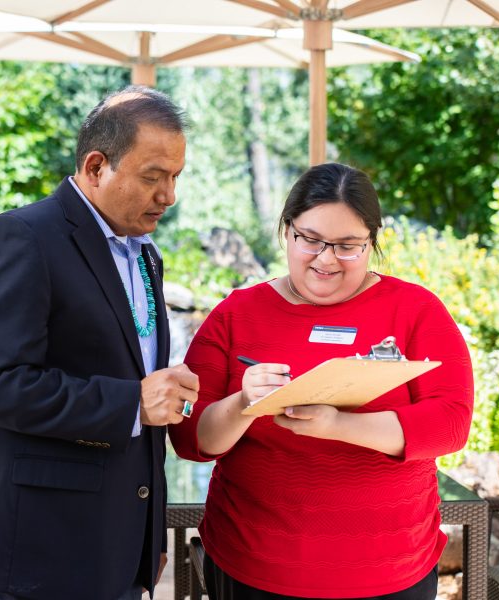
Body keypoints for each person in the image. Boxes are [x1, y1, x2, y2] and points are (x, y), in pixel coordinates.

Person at [169, 163, 474, 600]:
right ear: (287, 230)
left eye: (348, 246)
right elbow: (188, 437)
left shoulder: (417, 310)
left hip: (390, 572)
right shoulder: (236, 314)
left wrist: (338, 425)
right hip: (254, 565)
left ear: (373, 241)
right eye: (310, 240)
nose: (326, 258)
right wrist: (241, 404)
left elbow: (450, 423)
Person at [0, 86, 199, 600]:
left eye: (176, 177)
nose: (169, 196)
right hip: (38, 550)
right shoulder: (23, 235)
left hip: (118, 544)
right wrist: (132, 402)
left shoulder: (144, 253)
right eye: (153, 177)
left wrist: (148, 532)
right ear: (95, 166)